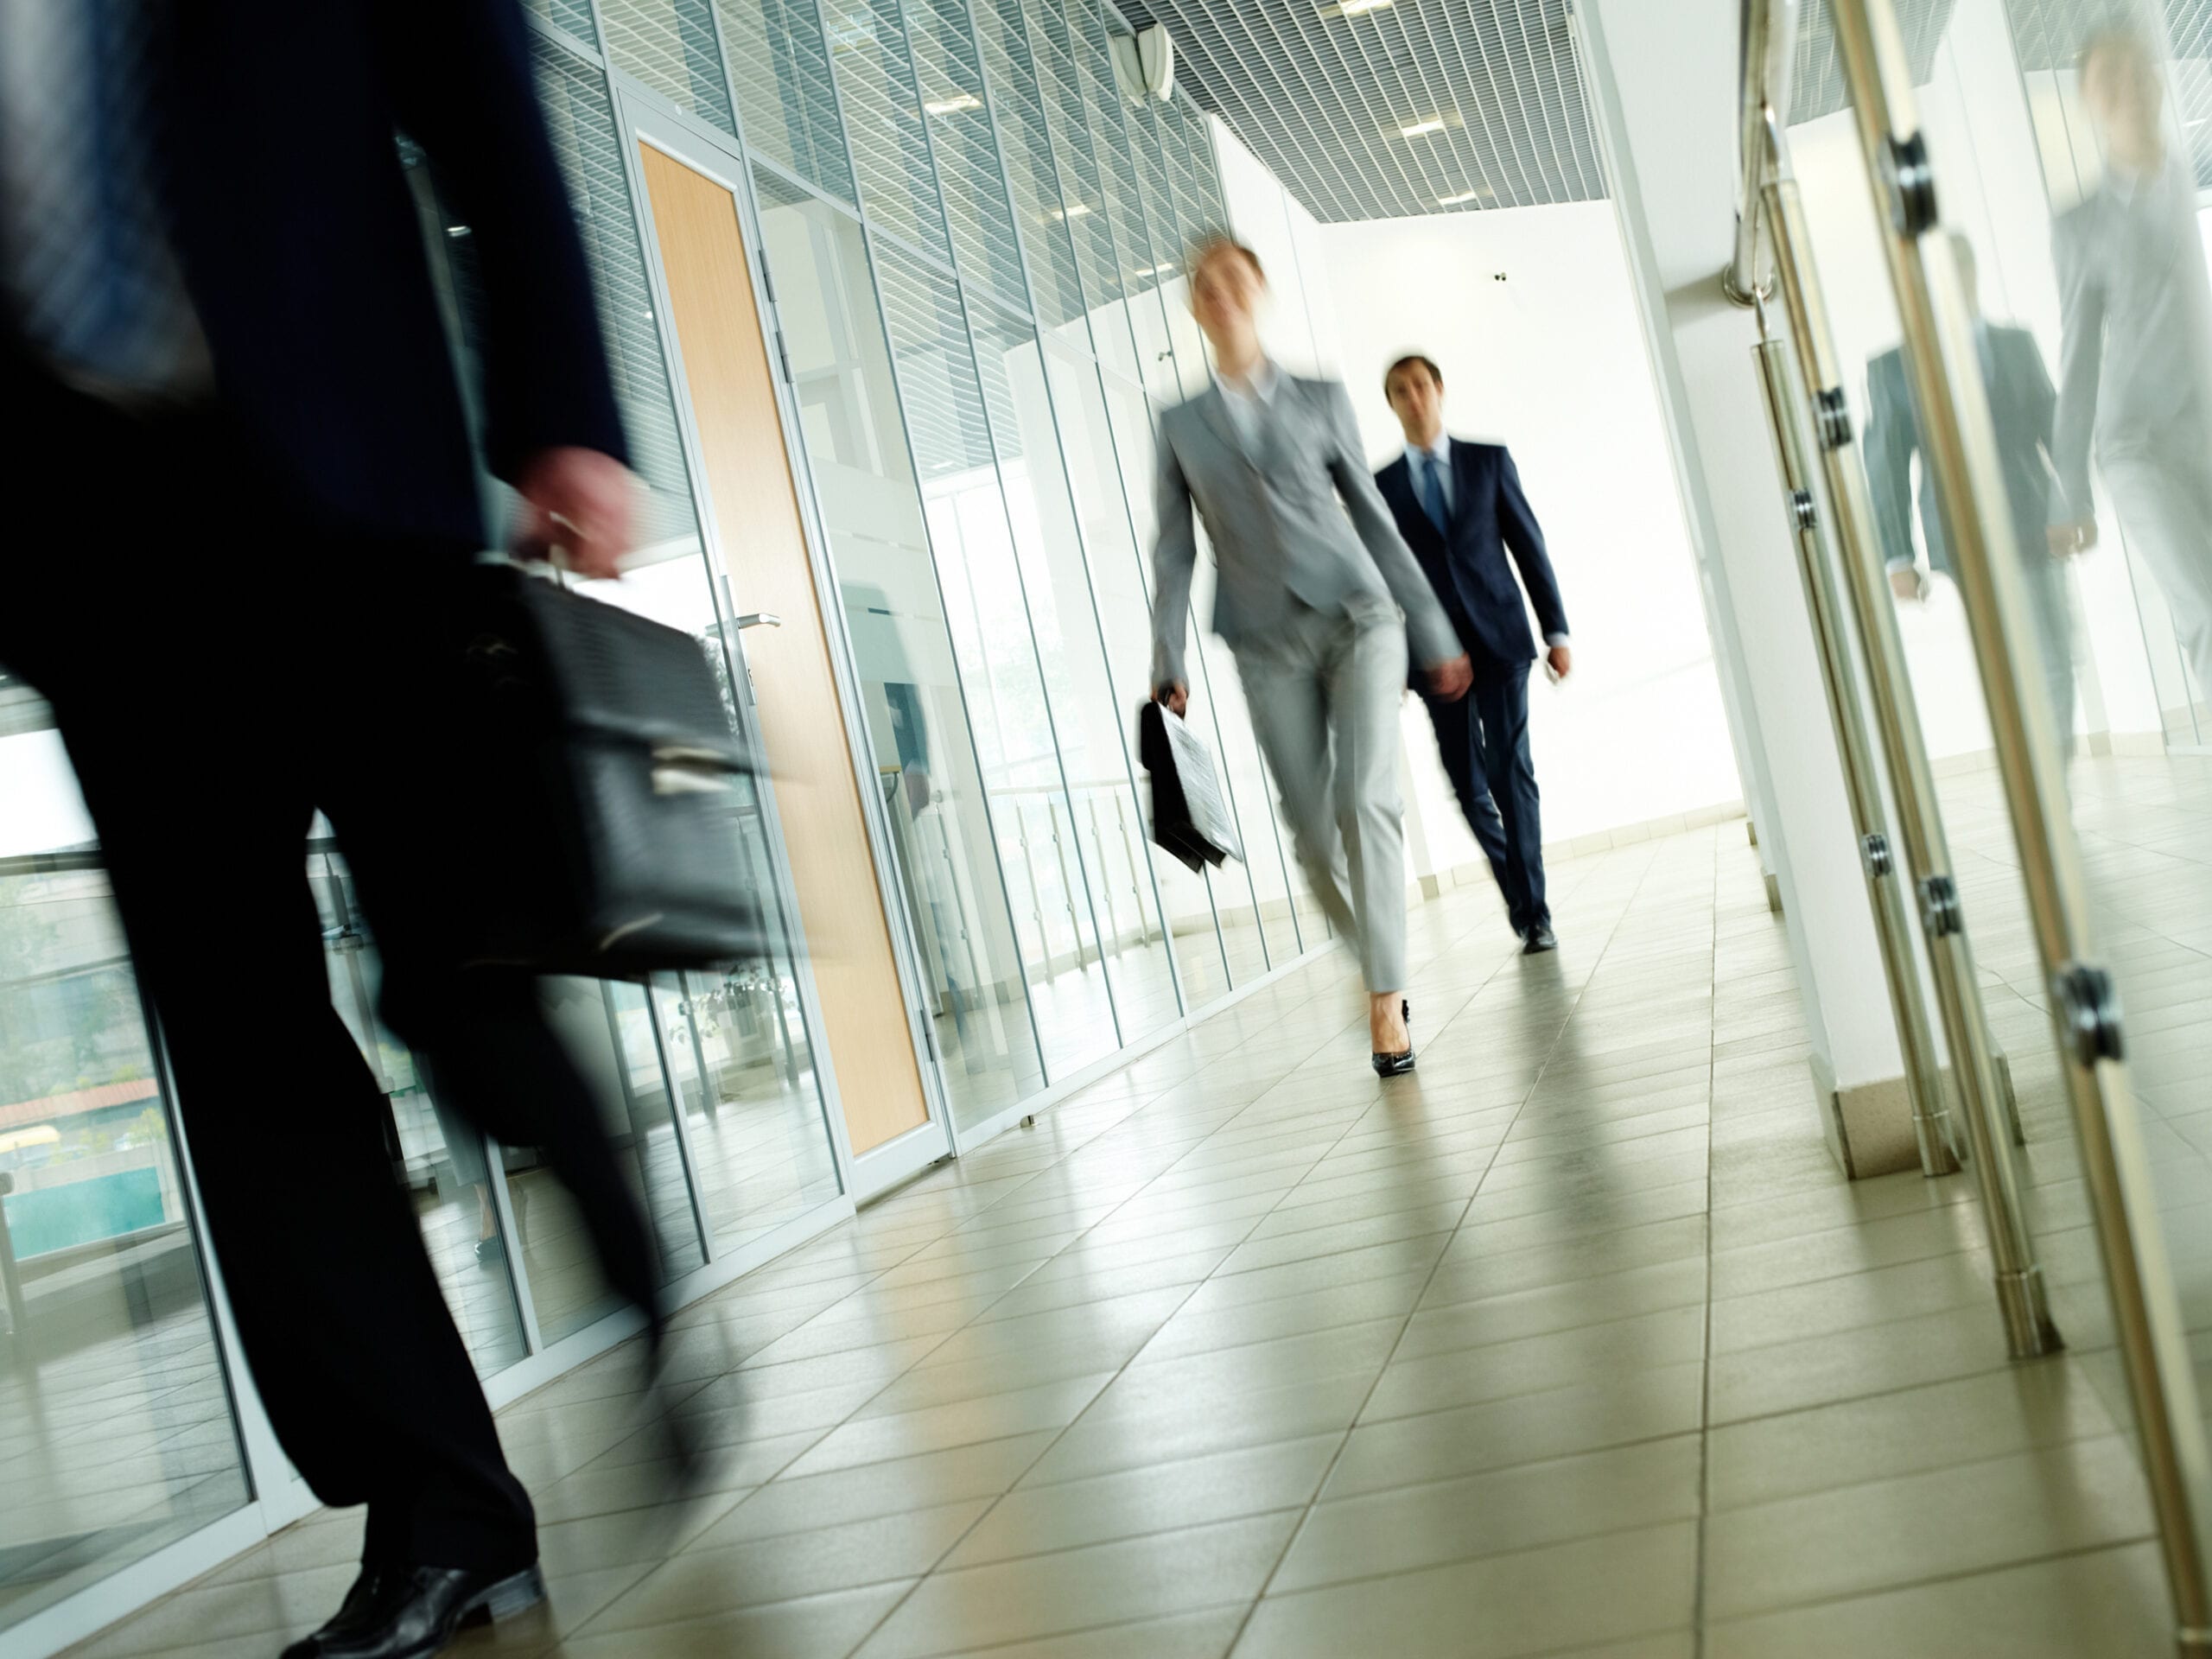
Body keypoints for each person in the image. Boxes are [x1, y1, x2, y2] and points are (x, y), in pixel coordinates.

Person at [0, 4, 667, 1656]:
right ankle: (438, 1513)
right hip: (92, 556)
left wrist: (560, 413)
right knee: (247, 1054)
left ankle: (616, 1214)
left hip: (344, 489)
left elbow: (483, 99)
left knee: (460, 970)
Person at [1150, 237, 1471, 1076]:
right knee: (1308, 833)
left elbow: (1373, 518)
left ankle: (1384, 1001)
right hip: (1262, 639)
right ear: (1193, 306)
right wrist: (1167, 655)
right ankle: (1379, 959)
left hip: (1359, 618)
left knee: (1366, 801)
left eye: (1233, 278)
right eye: (1203, 283)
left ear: (1258, 292)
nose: (1218, 291)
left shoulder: (1321, 395)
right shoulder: (1181, 423)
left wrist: (1431, 631)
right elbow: (1175, 550)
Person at [1374, 354, 1571, 954]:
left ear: (1439, 390)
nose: (1414, 398)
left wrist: (1555, 632)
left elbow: (1527, 544)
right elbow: (1382, 581)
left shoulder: (1488, 460)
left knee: (1512, 772)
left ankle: (1533, 912)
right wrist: (1394, 664)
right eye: (1400, 391)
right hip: (1434, 658)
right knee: (1465, 781)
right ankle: (1519, 889)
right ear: (1392, 403)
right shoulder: (1381, 487)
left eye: (1421, 386)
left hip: (1502, 638)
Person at [2049, 22, 2212, 697]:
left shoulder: (2191, 182)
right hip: (2136, 445)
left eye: (2138, 69)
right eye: (2107, 78)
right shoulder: (2079, 224)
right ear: (2089, 100)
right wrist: (2071, 492)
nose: (2128, 87)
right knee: (2204, 604)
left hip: (2203, 426)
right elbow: (2078, 361)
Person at [1865, 234, 2077, 747]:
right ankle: (2036, 787)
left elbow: (2055, 431)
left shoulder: (2015, 343)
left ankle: (2053, 800)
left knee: (2053, 660)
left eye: (1959, 269)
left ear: (1972, 271)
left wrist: (2073, 504)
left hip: (2031, 520)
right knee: (2009, 666)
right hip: (1958, 536)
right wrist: (1897, 557)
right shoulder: (1893, 367)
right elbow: (1885, 466)